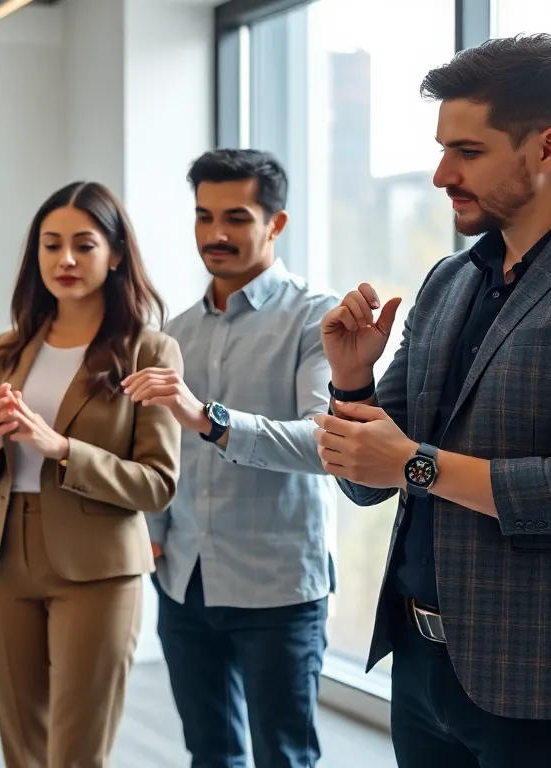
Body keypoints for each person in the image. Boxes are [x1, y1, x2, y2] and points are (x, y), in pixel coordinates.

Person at [311, 33, 551, 767]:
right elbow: (368, 482)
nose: (439, 174)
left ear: (548, 147)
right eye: (440, 148)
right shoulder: (449, 279)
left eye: (467, 151)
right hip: (423, 667)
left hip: (546, 682)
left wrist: (417, 465)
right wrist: (352, 381)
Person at [0, 180, 182, 768]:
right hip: (4, 559)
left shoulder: (149, 350)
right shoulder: (10, 349)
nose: (66, 260)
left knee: (77, 754)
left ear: (116, 254)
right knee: (21, 751)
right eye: (51, 245)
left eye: (83, 244)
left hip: (98, 569)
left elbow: (157, 484)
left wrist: (62, 448)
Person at [125, 148, 338, 768]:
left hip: (278, 587)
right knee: (209, 753)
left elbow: (324, 444)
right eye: (203, 216)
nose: (215, 235)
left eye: (237, 218)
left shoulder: (316, 318)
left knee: (285, 757)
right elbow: (156, 447)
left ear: (276, 224)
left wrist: (209, 418)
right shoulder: (176, 331)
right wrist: (155, 530)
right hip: (185, 581)